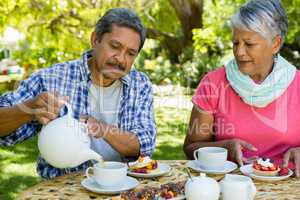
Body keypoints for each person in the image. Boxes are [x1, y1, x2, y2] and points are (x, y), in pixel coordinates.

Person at [0, 8, 156, 179]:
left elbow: (144, 145)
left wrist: (102, 129)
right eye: (115, 46)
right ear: (95, 39)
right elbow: (4, 132)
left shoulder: (140, 84)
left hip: (123, 185)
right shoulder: (52, 79)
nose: (121, 58)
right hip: (63, 190)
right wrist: (28, 109)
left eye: (130, 53)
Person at [183, 0, 300, 177]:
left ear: (275, 44)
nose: (239, 52)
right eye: (235, 43)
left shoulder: (297, 84)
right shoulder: (213, 84)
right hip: (229, 185)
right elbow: (191, 148)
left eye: (249, 44)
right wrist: (224, 148)